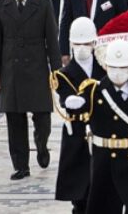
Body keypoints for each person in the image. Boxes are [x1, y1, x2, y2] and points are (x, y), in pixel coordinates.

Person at [64, 40, 128, 213]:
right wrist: (73, 103)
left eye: (122, 68)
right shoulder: (94, 90)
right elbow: (80, 107)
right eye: (114, 67)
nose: (118, 72)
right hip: (104, 162)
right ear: (106, 66)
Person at [0, 0, 60, 180]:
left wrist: (56, 71)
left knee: (42, 118)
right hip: (11, 69)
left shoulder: (44, 2)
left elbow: (52, 39)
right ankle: (21, 165)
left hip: (37, 67)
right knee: (15, 121)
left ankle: (41, 145)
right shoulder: (1, 3)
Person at [52, 17, 104, 213]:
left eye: (86, 43)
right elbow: (64, 96)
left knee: (101, 188)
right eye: (77, 43)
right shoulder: (64, 73)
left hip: (101, 131)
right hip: (77, 133)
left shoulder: (104, 69)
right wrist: (68, 101)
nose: (82, 47)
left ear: (94, 42)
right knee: (79, 191)